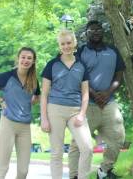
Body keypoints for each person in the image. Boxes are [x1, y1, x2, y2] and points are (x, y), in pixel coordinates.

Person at [69, 20, 126, 179]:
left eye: (99, 28)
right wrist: (93, 93)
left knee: (118, 137)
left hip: (109, 103)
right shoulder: (80, 52)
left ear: (103, 31)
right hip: (87, 104)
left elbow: (119, 75)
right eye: (91, 30)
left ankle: (104, 171)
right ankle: (74, 175)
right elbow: (77, 76)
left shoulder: (113, 51)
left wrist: (108, 92)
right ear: (86, 34)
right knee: (78, 143)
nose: (96, 32)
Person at [0, 47, 40, 179]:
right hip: (8, 125)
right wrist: (0, 100)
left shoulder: (34, 80)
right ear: (18, 58)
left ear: (33, 61)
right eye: (23, 57)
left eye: (29, 58)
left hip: (25, 128)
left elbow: (38, 97)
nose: (26, 60)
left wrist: (28, 103)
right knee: (3, 168)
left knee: (23, 170)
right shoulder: (7, 76)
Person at [40, 29, 93, 179]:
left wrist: (82, 114)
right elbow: (44, 94)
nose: (66, 46)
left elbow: (85, 93)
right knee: (56, 153)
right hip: (55, 110)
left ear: (74, 43)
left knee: (87, 148)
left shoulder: (82, 65)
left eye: (69, 43)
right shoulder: (52, 65)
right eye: (63, 44)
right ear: (59, 46)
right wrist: (44, 118)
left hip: (76, 111)